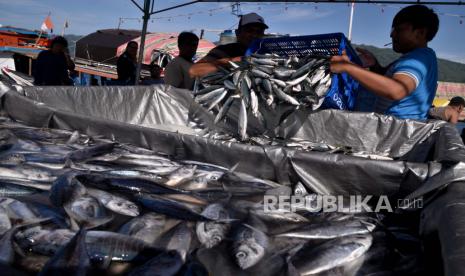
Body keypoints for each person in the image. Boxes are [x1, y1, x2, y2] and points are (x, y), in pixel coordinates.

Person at [330, 5, 439, 120]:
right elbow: (391, 80)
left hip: (396, 132)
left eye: (398, 29)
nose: (392, 35)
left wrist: (348, 67)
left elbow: (397, 89)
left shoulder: (418, 59)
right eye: (393, 30)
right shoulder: (419, 57)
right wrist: (375, 65)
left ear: (420, 33)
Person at [189, 12, 268, 78]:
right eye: (249, 30)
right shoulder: (223, 51)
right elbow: (194, 71)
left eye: (259, 32)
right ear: (238, 33)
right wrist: (231, 62)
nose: (254, 35)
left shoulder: (267, 53)